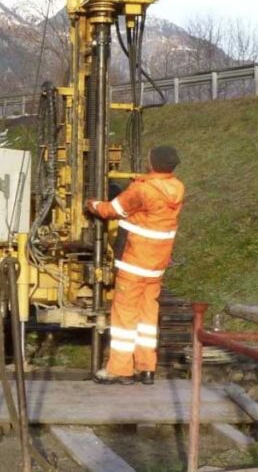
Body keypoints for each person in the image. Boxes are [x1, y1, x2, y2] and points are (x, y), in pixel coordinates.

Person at [85, 145, 184, 385]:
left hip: (134, 261)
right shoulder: (177, 188)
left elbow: (112, 210)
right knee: (147, 316)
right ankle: (146, 367)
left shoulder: (142, 190)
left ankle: (120, 370)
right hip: (156, 265)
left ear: (152, 163)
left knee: (124, 318)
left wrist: (92, 205)